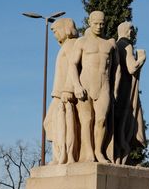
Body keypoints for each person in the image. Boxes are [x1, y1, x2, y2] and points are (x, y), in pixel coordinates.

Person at [69, 11, 116, 163]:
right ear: (90, 22)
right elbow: (72, 64)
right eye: (96, 23)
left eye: (102, 23)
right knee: (86, 120)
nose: (99, 26)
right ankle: (89, 152)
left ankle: (98, 151)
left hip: (104, 85)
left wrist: (115, 90)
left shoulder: (110, 44)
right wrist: (76, 85)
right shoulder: (81, 42)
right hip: (86, 84)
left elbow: (116, 70)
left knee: (101, 119)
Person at [45, 17, 85, 164]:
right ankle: (58, 156)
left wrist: (68, 89)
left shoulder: (72, 45)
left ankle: (64, 155)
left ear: (65, 29)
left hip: (64, 93)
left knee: (58, 123)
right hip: (59, 92)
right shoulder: (66, 46)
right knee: (51, 123)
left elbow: (73, 67)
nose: (55, 35)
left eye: (56, 31)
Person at [112, 21, 146, 164]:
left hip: (118, 92)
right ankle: (122, 156)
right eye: (131, 30)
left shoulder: (116, 45)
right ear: (126, 31)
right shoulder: (126, 45)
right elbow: (132, 68)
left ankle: (120, 156)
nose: (133, 33)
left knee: (120, 124)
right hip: (126, 92)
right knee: (126, 124)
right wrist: (142, 58)